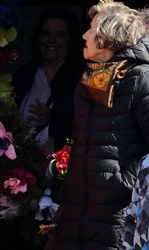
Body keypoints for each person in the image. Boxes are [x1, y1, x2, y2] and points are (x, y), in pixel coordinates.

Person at [45, 2, 149, 249]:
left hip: (118, 213)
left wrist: (122, 182)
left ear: (108, 36)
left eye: (90, 29)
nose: (83, 35)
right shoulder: (88, 78)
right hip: (77, 213)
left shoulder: (141, 78)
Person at [12, 7, 85, 155]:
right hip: (21, 165)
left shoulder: (81, 79)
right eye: (46, 34)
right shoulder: (23, 76)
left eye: (60, 35)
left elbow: (88, 126)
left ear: (71, 41)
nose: (51, 40)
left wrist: (52, 119)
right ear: (38, 38)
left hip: (63, 168)